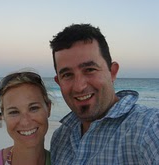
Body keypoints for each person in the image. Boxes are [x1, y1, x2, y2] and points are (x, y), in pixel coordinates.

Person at [49, 23, 159, 164]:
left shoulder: (148, 127)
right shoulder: (60, 138)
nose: (79, 87)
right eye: (67, 75)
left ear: (112, 72)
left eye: (89, 70)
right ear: (59, 82)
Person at [0, 71, 51, 165]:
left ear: (48, 108)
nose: (25, 121)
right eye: (14, 112)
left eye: (33, 108)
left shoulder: (65, 161)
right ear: (3, 115)